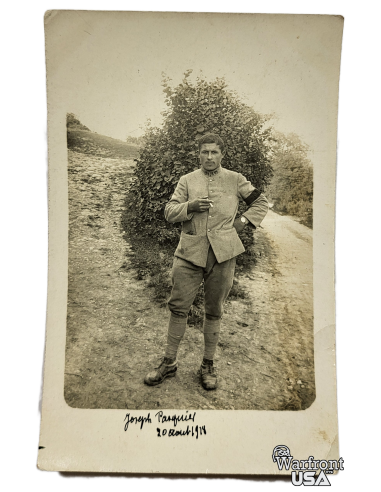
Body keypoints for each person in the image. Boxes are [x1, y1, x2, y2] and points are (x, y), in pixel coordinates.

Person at [144, 133, 269, 390]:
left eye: (214, 152)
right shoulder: (187, 180)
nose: (209, 157)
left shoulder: (235, 179)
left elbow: (261, 202)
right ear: (198, 154)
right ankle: (168, 363)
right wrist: (190, 206)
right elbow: (169, 212)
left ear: (222, 154)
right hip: (189, 253)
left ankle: (208, 365)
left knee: (214, 310)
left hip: (223, 256)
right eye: (205, 152)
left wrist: (241, 223)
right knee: (178, 307)